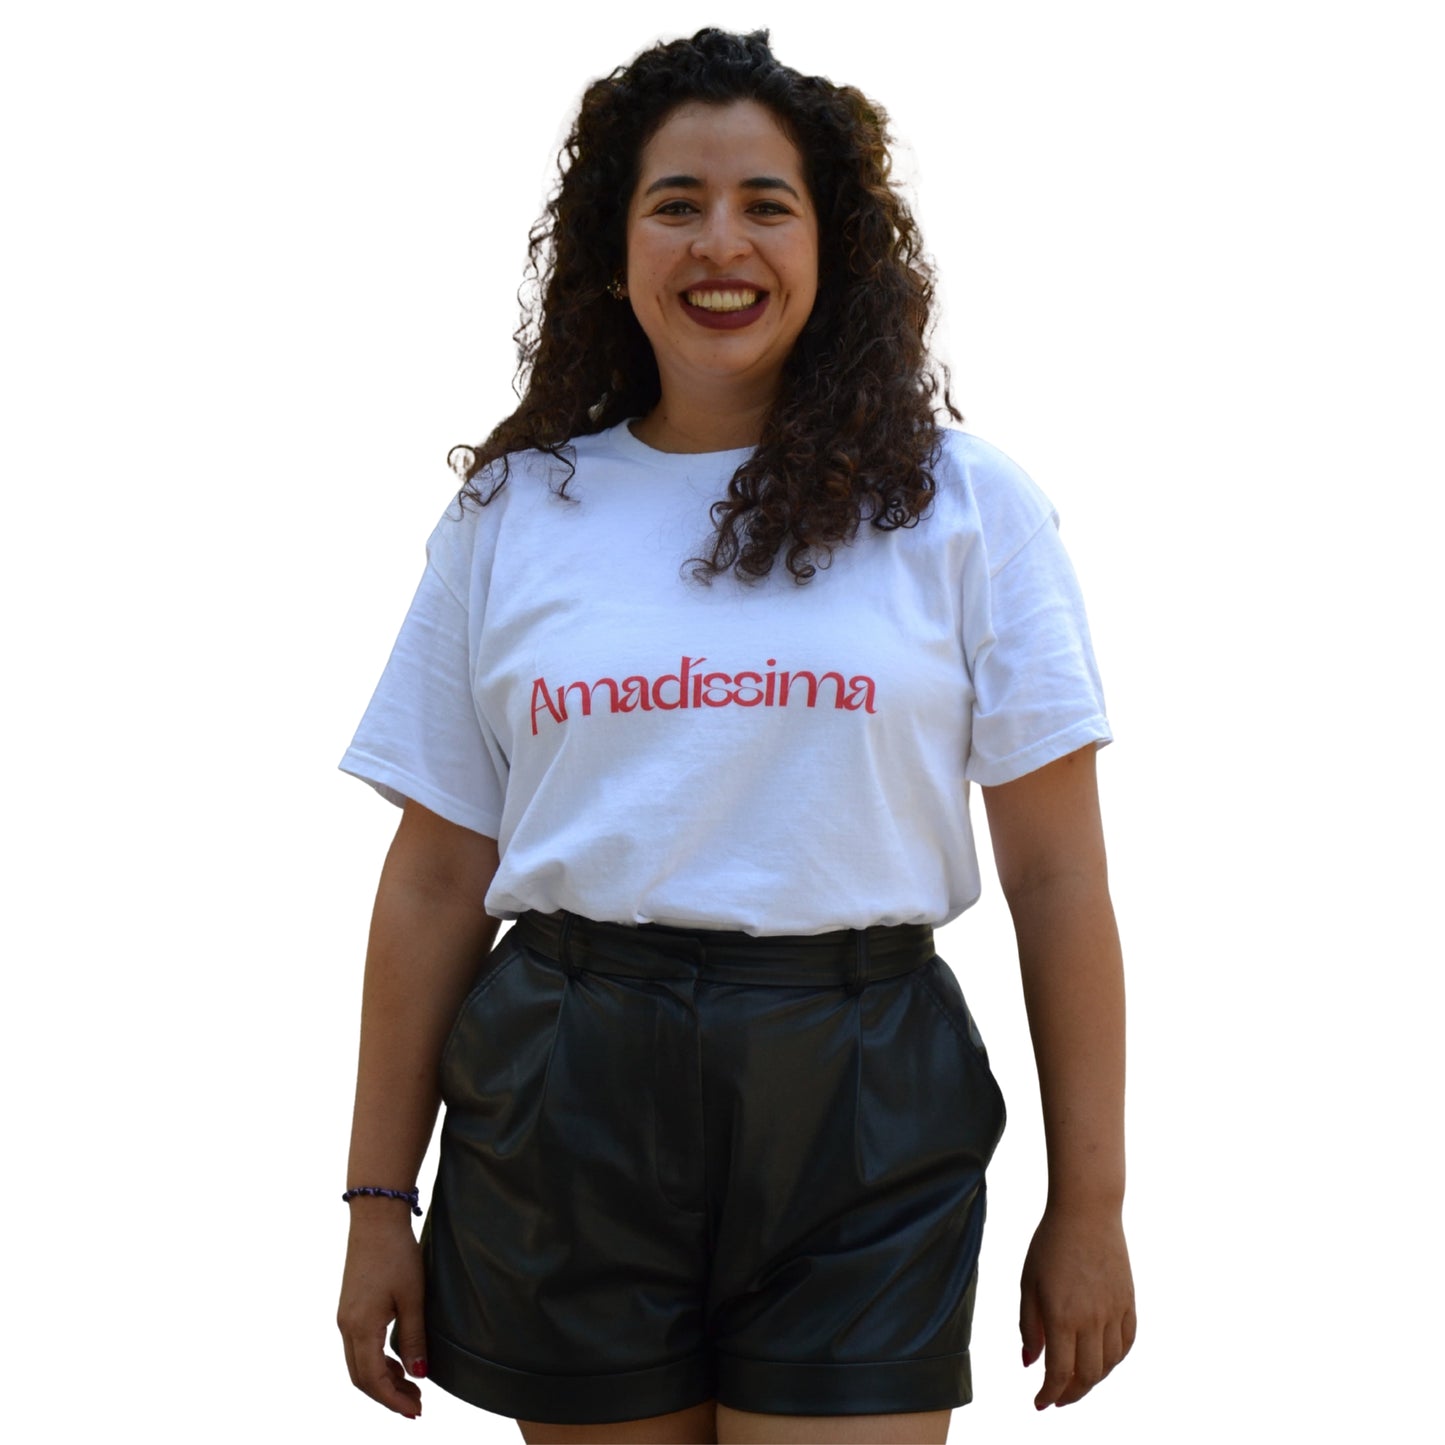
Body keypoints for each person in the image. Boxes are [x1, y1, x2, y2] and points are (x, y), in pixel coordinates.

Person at [335, 27, 1135, 1445]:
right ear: (613, 244)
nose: (722, 243)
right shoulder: (516, 513)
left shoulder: (962, 508)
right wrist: (375, 1200)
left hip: (862, 1091)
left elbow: (1059, 876)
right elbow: (436, 876)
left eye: (767, 203)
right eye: (675, 203)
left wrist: (1091, 1204)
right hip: (568, 1090)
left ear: (835, 245)